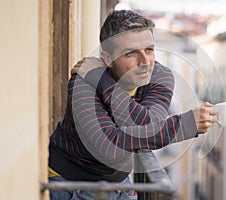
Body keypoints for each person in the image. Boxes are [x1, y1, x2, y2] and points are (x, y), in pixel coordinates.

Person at [48, 9, 217, 200]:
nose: (145, 62)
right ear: (108, 59)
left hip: (119, 184)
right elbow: (110, 146)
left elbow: (149, 123)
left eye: (149, 50)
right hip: (70, 185)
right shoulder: (82, 82)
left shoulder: (160, 77)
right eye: (131, 54)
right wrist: (185, 125)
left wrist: (101, 80)